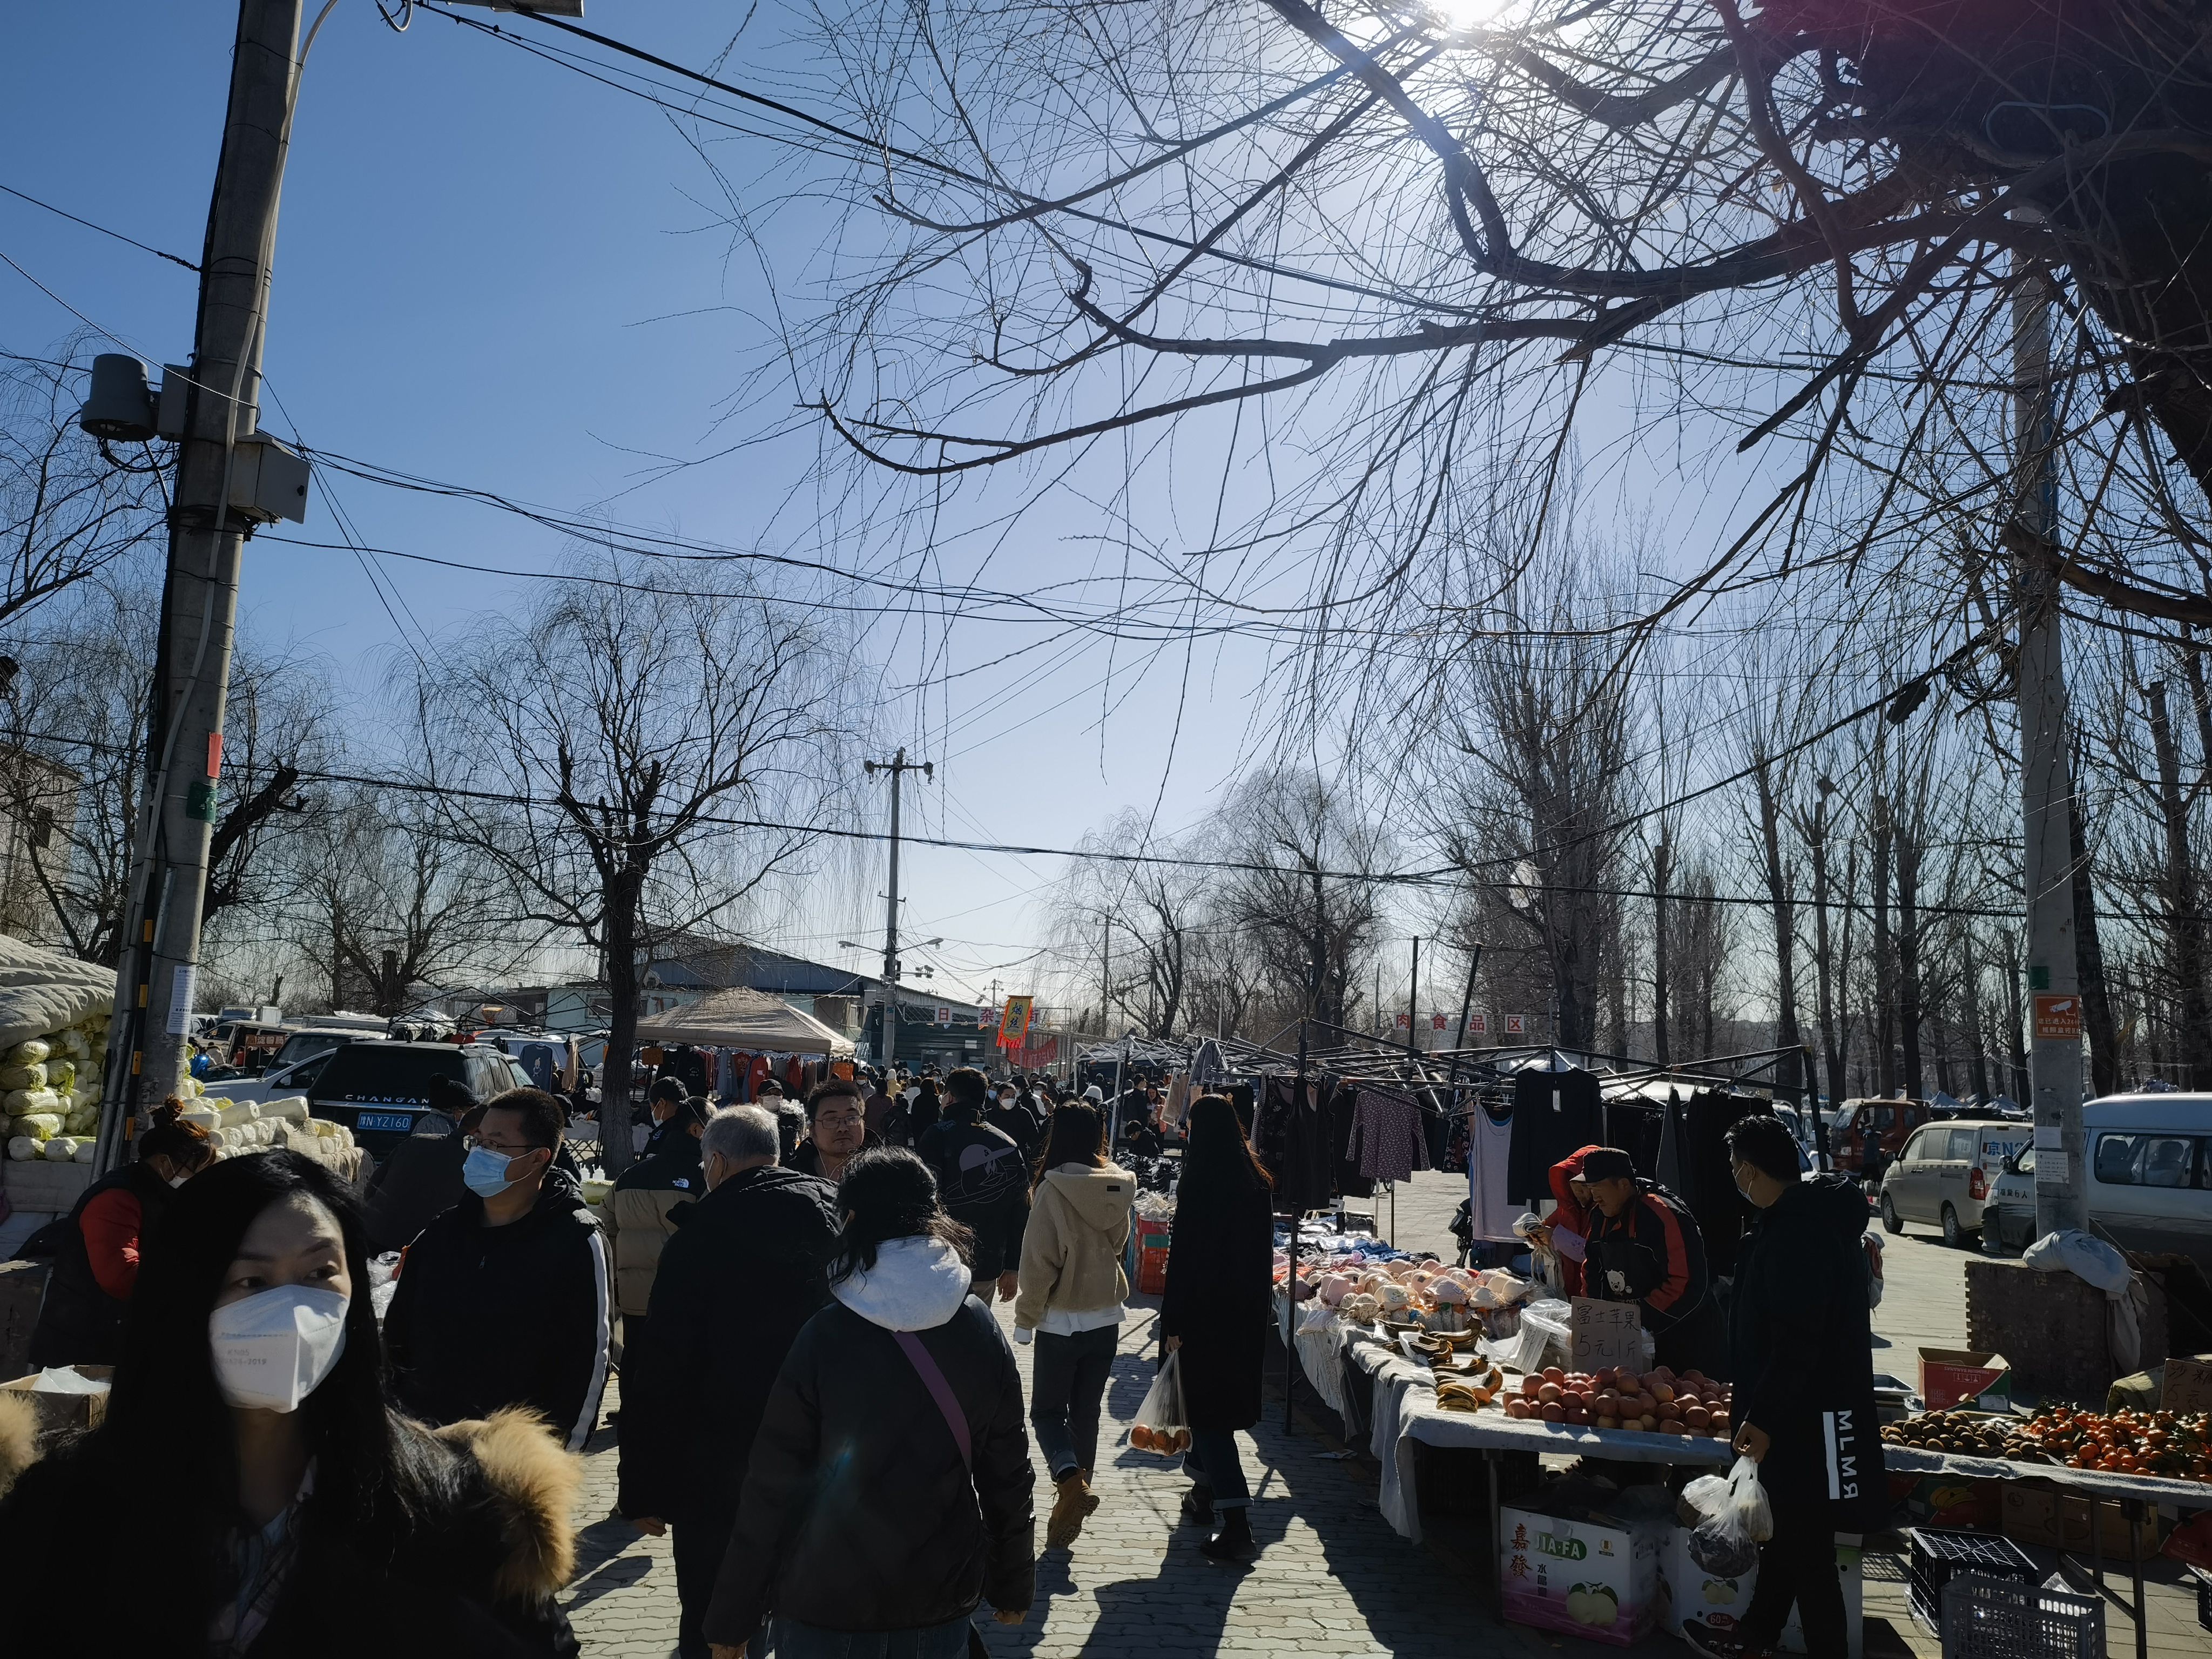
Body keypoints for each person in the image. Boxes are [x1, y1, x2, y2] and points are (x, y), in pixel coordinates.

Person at [0, 1150, 581, 1656]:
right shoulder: (70, 1506)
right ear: (181, 1299)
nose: (294, 1314)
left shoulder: (456, 1506)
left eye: (319, 1273)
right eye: (251, 1282)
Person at [704, 1147, 1033, 1658]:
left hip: (823, 1600)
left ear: (850, 1218)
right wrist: (1013, 1582)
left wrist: (732, 1617)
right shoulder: (978, 1326)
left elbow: (772, 1485)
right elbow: (1007, 1469)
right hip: (939, 1594)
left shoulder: (824, 1335)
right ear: (934, 1212)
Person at [621, 1107, 841, 1659]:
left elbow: (662, 1366)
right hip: (822, 1451)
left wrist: (642, 1482)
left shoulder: (701, 1232)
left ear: (715, 1161)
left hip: (718, 1460)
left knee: (713, 1607)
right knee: (800, 1598)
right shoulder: (836, 1212)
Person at [1684, 1116, 1881, 1659]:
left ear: (1748, 1170)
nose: (1733, 1178)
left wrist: (1763, 1418)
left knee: (1806, 1553)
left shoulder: (1798, 1233)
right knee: (1787, 1541)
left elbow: (1798, 1341)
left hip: (1800, 1420)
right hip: (1799, 1413)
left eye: (1733, 1169)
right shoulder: (1799, 1221)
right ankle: (1754, 1636)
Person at [383, 1088, 612, 1451]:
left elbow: (588, 1358)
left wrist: (561, 1459)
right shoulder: (442, 1233)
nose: (480, 1153)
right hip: (426, 1446)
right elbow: (398, 1335)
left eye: (495, 1144)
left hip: (512, 1459)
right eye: (478, 1141)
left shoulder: (576, 1240)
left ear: (539, 1158)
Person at [1013, 1102, 1135, 1550]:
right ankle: (1073, 1495)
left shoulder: (1052, 1189)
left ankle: (1069, 1482)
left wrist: (1026, 1320)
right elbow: (1120, 1244)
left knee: (1047, 1412)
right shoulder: (1117, 1186)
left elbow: (1039, 1261)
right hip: (1107, 1317)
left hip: (1061, 1320)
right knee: (1085, 1412)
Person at [1159, 1094, 1274, 1564]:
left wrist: (1173, 1324)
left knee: (1208, 1420)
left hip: (1203, 1317)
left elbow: (1185, 1260)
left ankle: (1238, 1524)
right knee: (1216, 1410)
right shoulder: (1255, 1180)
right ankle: (1201, 1498)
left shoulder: (1200, 1180)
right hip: (1243, 1315)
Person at [24, 1100, 214, 1368]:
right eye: (196, 1172)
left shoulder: (160, 1192)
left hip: (122, 1333)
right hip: (86, 1344)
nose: (200, 1181)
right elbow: (120, 1276)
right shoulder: (117, 1198)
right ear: (164, 1163)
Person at [1577, 1145, 1727, 1377]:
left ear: (1624, 1185)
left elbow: (1686, 1281)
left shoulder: (1663, 1214)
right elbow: (1592, 1271)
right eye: (1590, 1189)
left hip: (1687, 1338)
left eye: (1598, 1188)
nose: (1594, 1197)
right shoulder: (1600, 1217)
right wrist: (1594, 1320)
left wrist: (1639, 1321)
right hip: (1634, 1339)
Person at [609, 1094, 709, 1359]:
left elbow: (607, 1226)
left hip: (632, 1296)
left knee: (633, 1363)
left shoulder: (629, 1175)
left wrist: (618, 1278)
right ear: (697, 1130)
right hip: (681, 1296)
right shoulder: (706, 1176)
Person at [916, 1066, 1029, 1299]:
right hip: (987, 1262)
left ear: (949, 1097)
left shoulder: (936, 1135)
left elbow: (922, 1200)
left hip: (939, 1261)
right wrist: (1012, 1267)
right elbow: (1021, 1210)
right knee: (975, 1330)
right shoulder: (1007, 1144)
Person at [363, 1080, 482, 1254]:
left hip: (371, 1237)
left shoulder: (417, 1141)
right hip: (417, 1251)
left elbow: (371, 1188)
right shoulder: (475, 1164)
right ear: (478, 1132)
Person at [1523, 1143, 1601, 1298]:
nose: (1579, 1193)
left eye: (1584, 1187)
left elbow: (1591, 1253)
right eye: (1574, 1186)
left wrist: (1553, 1236)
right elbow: (1545, 1226)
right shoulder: (1566, 1210)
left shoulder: (1606, 1214)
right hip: (1567, 1289)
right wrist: (1532, 1232)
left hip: (1594, 1293)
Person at [787, 1077, 874, 1182]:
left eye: (851, 1118)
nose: (843, 1128)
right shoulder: (793, 1176)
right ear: (812, 1129)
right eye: (831, 1120)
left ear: (863, 1123)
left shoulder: (883, 1173)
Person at [986, 1080, 1041, 1163]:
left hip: (1019, 1158)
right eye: (1007, 1096)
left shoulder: (1024, 1114)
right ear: (999, 1097)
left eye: (1013, 1096)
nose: (1011, 1099)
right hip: (995, 1159)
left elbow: (1034, 1139)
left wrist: (1034, 1160)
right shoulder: (989, 1115)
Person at [640, 1076, 693, 1162]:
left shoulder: (662, 1135)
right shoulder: (696, 1127)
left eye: (652, 1108)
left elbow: (644, 1168)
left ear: (662, 1103)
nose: (652, 1112)